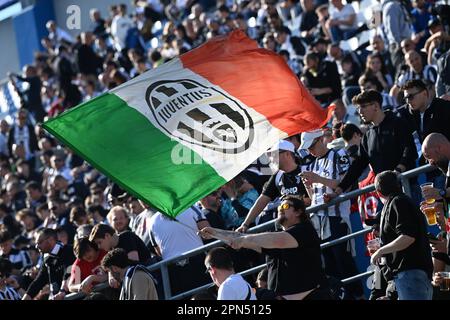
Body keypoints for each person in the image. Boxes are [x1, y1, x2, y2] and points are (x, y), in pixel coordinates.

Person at [201, 195, 331, 300]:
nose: (280, 208)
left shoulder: (304, 230)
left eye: (285, 206)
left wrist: (241, 240)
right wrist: (215, 232)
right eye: (279, 206)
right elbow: (240, 239)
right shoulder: (273, 239)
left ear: (298, 212)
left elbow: (277, 241)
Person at [335, 90, 418, 195]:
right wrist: (340, 188)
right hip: (384, 194)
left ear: (375, 106)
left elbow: (410, 150)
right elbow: (358, 165)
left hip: (407, 187)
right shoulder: (367, 136)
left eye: (363, 106)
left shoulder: (398, 123)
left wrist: (398, 170)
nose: (360, 112)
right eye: (358, 108)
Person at [371, 170, 433, 300]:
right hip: (406, 276)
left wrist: (380, 251)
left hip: (411, 273)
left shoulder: (398, 202)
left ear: (378, 192)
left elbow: (408, 237)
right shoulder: (400, 201)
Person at [236, 140, 309, 233]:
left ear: (287, 154)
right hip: (287, 227)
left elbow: (314, 198)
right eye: (269, 156)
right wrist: (245, 224)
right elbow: (262, 200)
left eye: (274, 155)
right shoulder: (277, 176)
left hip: (307, 223)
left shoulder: (306, 170)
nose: (271, 159)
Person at [22, 228, 75, 300]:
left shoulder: (69, 251)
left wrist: (62, 291)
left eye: (40, 242)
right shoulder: (48, 259)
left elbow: (69, 273)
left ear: (50, 240)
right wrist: (26, 297)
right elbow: (39, 281)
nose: (36, 246)